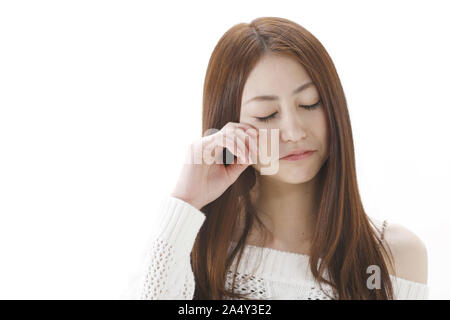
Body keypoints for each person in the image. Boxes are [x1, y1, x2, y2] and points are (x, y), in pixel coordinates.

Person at [123, 17, 428, 300]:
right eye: (267, 115)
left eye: (310, 104)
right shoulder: (189, 245)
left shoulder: (392, 256)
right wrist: (187, 200)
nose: (294, 132)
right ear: (229, 126)